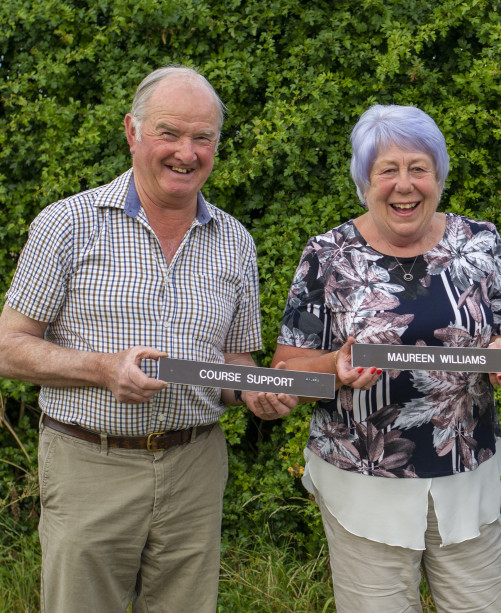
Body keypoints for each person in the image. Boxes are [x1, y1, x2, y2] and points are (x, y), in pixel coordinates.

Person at [0, 66, 296, 612]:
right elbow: (8, 346)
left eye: (202, 138)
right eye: (170, 132)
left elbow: (233, 362)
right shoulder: (66, 224)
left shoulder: (235, 241)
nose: (187, 152)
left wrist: (255, 390)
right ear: (132, 132)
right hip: (90, 462)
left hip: (195, 469)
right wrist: (102, 369)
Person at [271, 104, 501, 613]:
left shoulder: (480, 242)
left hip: (466, 475)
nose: (404, 184)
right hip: (364, 485)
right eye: (387, 170)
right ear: (363, 180)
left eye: (418, 168)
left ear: (438, 175)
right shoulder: (328, 256)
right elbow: (287, 372)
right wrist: (334, 369)